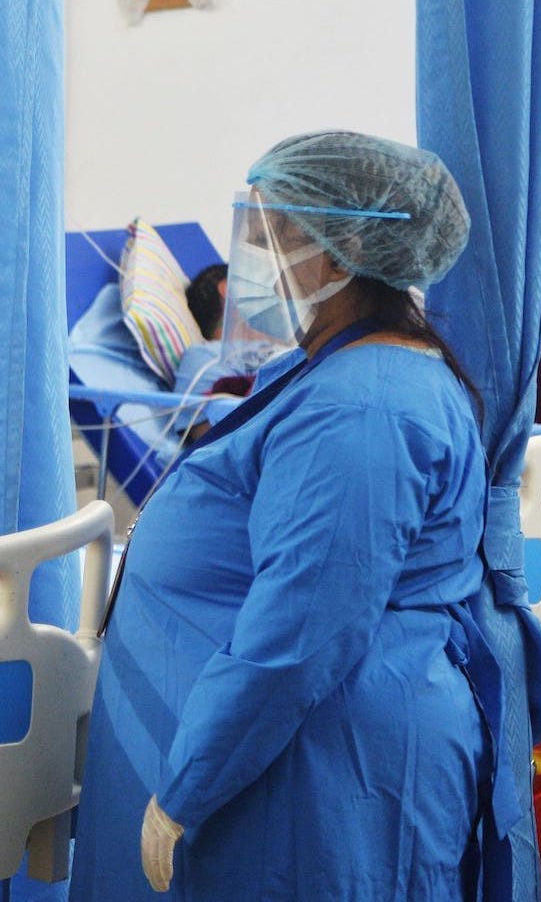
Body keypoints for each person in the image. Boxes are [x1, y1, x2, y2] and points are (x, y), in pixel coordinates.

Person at [71, 131, 518, 899]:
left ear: (340, 256)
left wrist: (189, 788)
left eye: (269, 235)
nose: (250, 257)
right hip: (295, 755)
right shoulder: (328, 370)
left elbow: (302, 629)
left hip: (322, 773)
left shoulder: (364, 410)